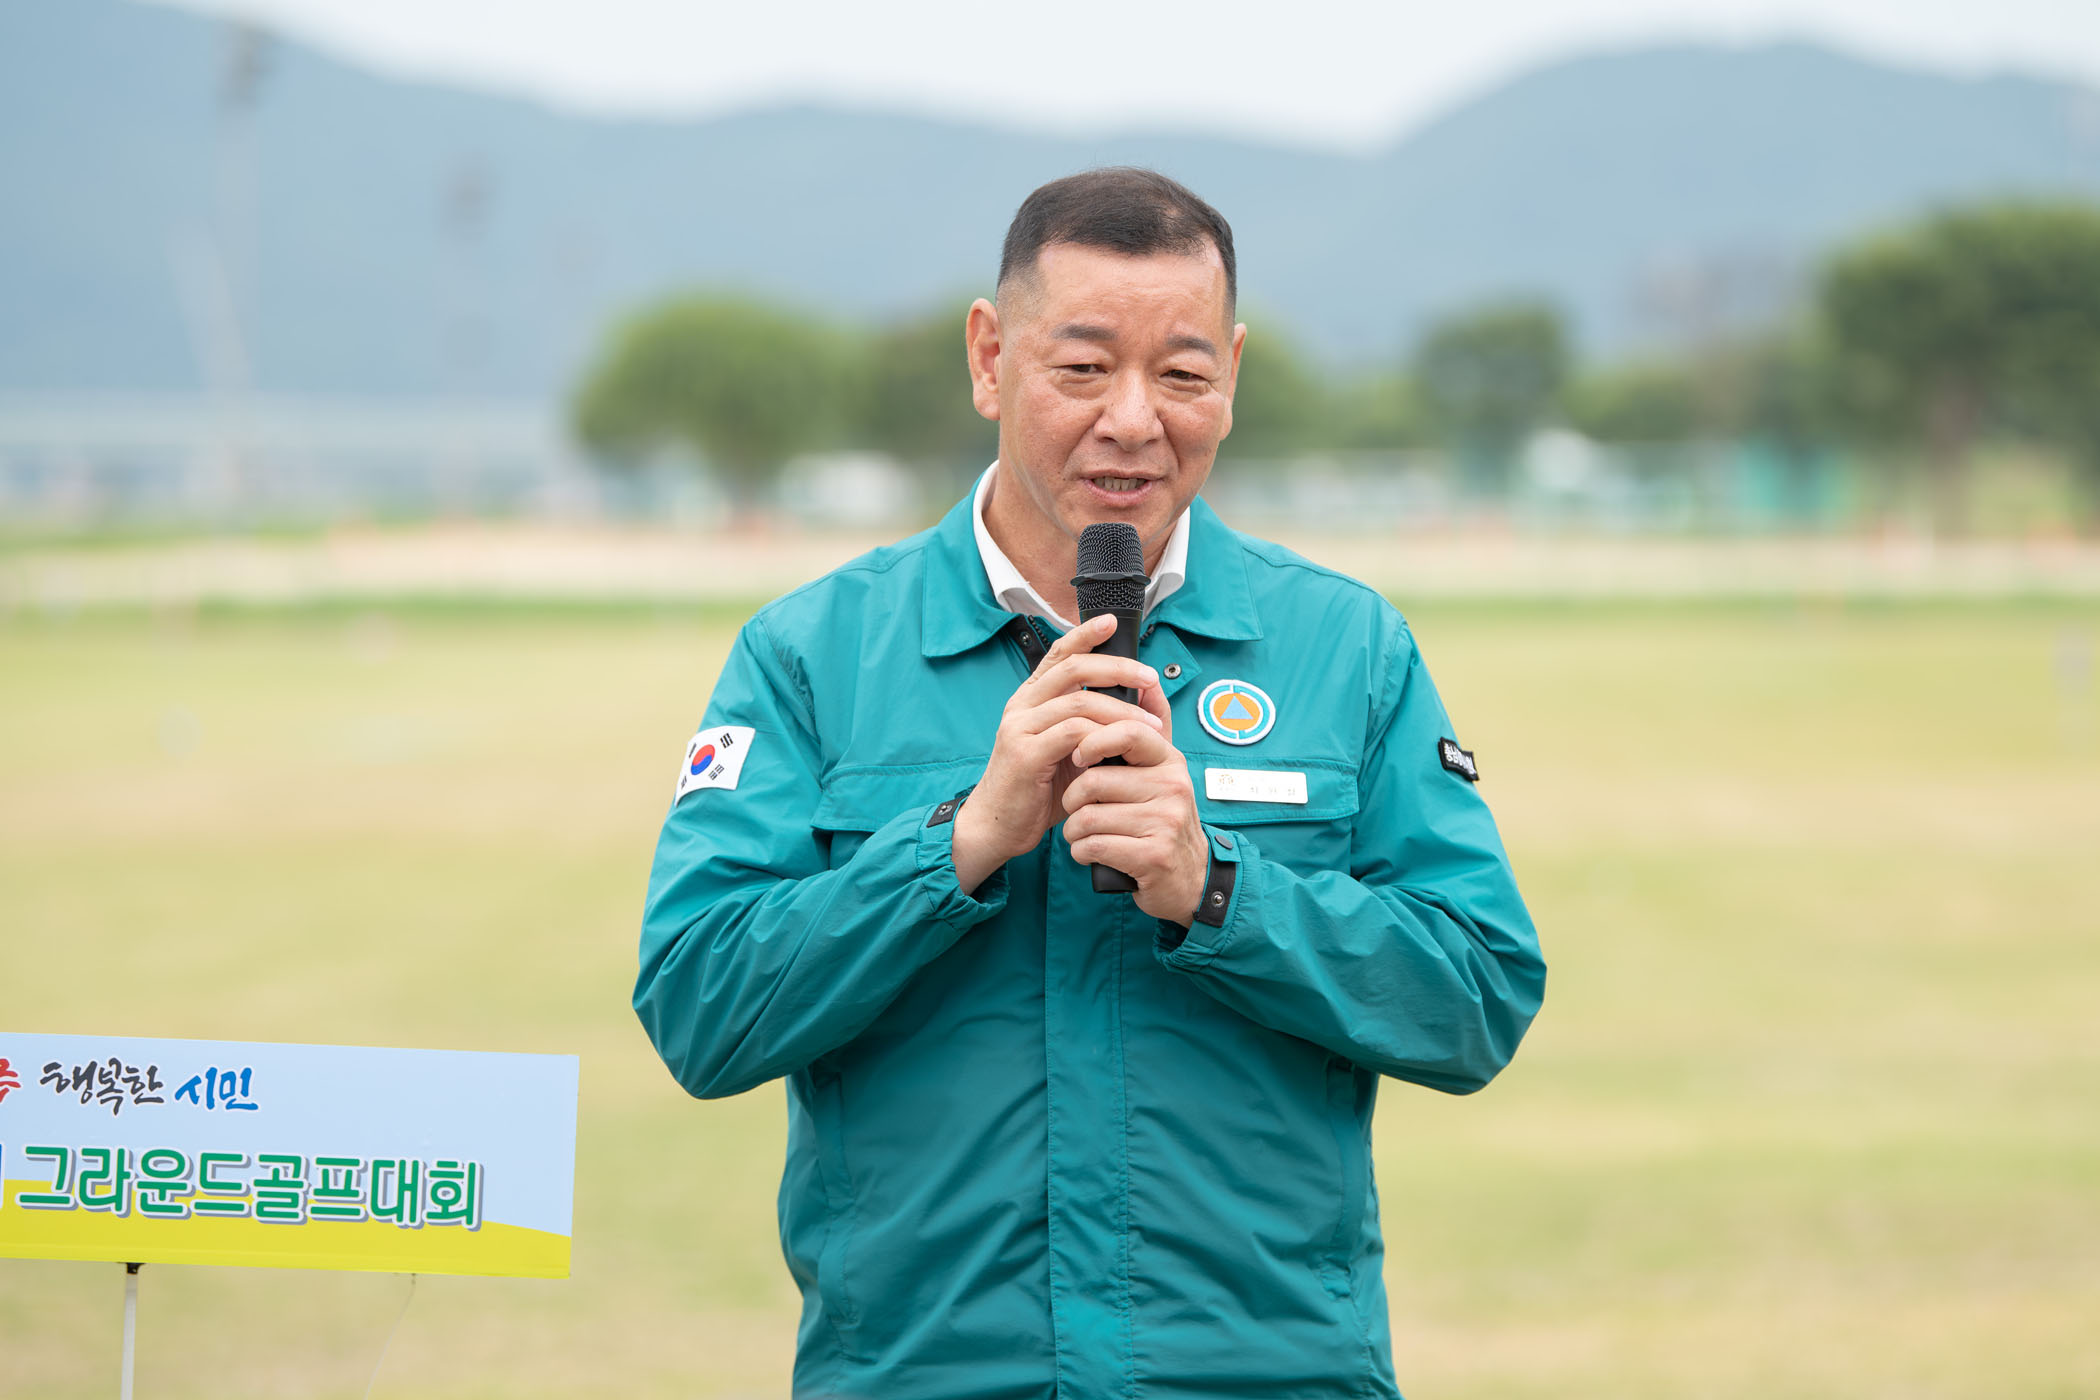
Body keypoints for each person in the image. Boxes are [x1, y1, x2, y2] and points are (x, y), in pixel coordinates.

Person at [634, 167, 1545, 1400]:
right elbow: (699, 1007)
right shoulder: (813, 651)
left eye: (1182, 374)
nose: (1133, 419)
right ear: (989, 357)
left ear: (1232, 375)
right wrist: (958, 845)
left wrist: (1219, 889)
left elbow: (1478, 995)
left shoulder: (1348, 645)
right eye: (1082, 367)